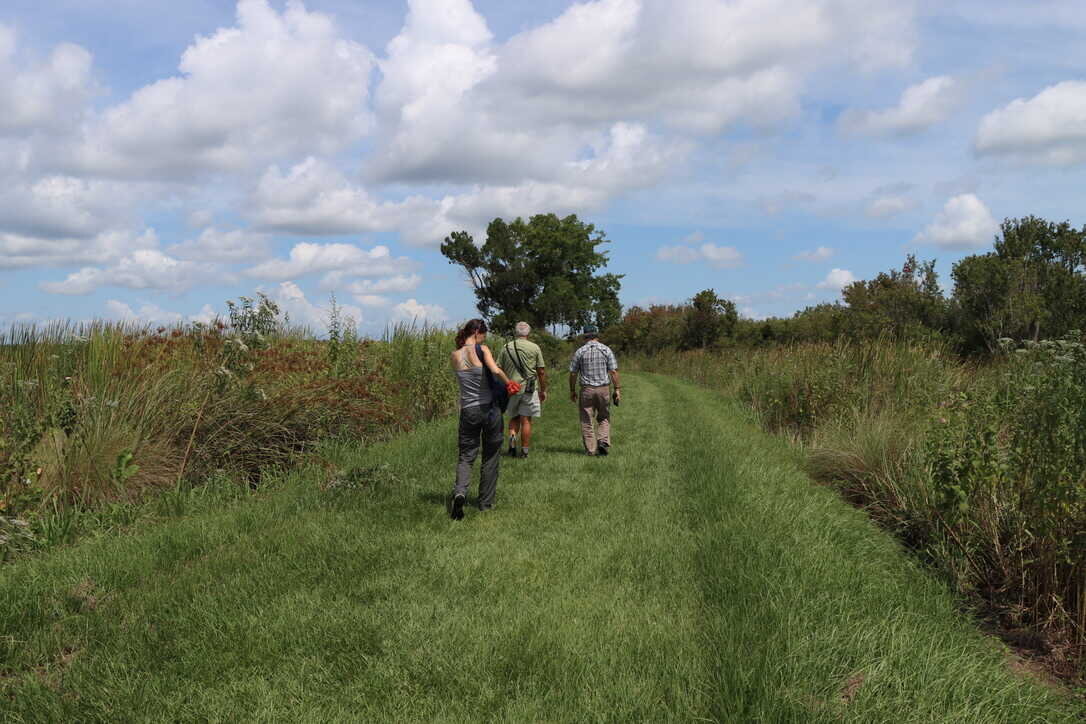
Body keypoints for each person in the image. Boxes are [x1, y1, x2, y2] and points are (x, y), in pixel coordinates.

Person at [449, 318, 514, 520]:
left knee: (466, 455)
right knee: (491, 455)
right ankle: (485, 503)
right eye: (484, 334)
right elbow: (495, 370)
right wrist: (509, 383)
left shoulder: (454, 355)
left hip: (468, 410)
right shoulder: (482, 349)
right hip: (490, 409)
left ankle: (460, 492)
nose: (484, 338)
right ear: (477, 332)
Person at [568, 325, 621, 456]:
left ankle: (591, 450)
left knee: (586, 419)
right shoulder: (606, 350)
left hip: (586, 390)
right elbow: (613, 371)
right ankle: (602, 442)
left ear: (585, 336)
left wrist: (572, 390)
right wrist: (617, 389)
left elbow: (573, 373)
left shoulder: (580, 351)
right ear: (597, 335)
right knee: (604, 417)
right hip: (603, 389)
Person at [497, 321, 547, 458]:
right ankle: (524, 451)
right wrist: (543, 390)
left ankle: (512, 439)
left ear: (516, 332)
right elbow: (541, 371)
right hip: (529, 389)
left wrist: (507, 382)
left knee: (514, 417)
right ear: (528, 333)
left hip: (512, 389)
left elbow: (497, 368)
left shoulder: (506, 347)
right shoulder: (535, 347)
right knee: (526, 420)